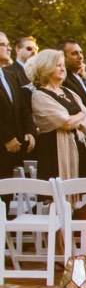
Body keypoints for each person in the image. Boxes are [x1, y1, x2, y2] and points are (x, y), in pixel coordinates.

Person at [30, 49, 86, 180]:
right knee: (59, 194)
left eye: (63, 65)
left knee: (84, 193)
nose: (62, 69)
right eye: (58, 65)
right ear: (46, 67)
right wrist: (80, 115)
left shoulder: (68, 91)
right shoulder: (40, 95)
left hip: (80, 146)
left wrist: (77, 118)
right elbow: (66, 122)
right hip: (54, 151)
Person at [0, 32, 36, 178]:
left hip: (15, 150)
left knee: (9, 196)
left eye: (8, 45)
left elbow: (22, 108)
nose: (8, 48)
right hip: (4, 143)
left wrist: (30, 130)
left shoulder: (9, 74)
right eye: (3, 45)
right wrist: (7, 137)